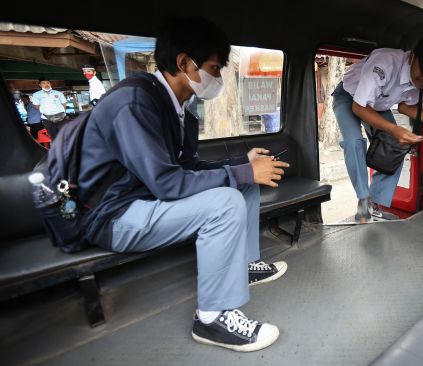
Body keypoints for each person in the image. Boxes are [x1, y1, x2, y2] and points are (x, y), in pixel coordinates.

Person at [77, 16, 290, 352]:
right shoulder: (134, 104)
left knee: (243, 186)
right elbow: (168, 184)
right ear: (183, 62)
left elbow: (187, 168)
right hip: (112, 216)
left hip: (145, 200)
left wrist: (243, 166)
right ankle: (211, 318)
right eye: (214, 67)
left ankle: (244, 266)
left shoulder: (181, 113)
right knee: (225, 203)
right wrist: (242, 172)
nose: (217, 78)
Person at [331, 33, 423, 223]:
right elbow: (359, 107)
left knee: (396, 145)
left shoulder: (418, 80)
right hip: (348, 97)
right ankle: (363, 202)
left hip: (377, 105)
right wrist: (394, 130)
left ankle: (375, 205)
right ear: (413, 56)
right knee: (353, 141)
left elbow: (406, 108)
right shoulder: (385, 63)